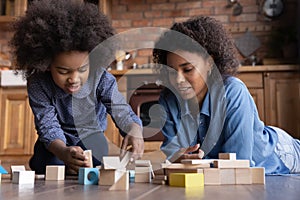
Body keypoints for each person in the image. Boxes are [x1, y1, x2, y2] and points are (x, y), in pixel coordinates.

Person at [9, 0, 144, 174]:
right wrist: (63, 151)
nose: (73, 79)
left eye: (82, 69)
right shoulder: (38, 83)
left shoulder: (101, 78)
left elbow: (120, 110)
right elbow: (47, 125)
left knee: (97, 166)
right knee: (49, 166)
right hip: (55, 145)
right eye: (63, 71)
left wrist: (134, 129)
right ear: (47, 64)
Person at [152, 16, 300, 174]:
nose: (178, 80)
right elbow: (174, 156)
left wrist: (200, 164)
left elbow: (239, 163)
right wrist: (178, 160)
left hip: (279, 154)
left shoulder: (233, 92)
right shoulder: (168, 100)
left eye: (188, 69)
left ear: (210, 63)